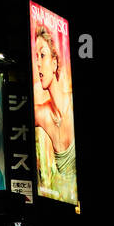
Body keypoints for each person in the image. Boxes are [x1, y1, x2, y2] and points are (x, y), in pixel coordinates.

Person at [33, 24, 76, 202]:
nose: (37, 64)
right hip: (59, 200)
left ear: (55, 62)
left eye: (42, 55)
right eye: (36, 57)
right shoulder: (42, 114)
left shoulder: (72, 104)